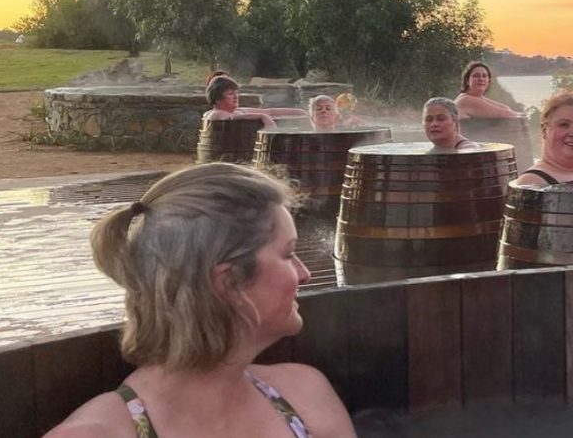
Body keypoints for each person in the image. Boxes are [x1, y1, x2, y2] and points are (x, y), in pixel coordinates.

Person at [45, 163, 357, 438]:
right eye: (288, 254)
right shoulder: (93, 434)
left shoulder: (305, 394)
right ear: (229, 282)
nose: (304, 274)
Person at [202, 76, 308, 128]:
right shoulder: (214, 114)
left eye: (236, 93)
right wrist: (262, 117)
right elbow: (230, 118)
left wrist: (300, 112)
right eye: (230, 94)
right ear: (217, 98)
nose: (235, 97)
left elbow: (270, 111)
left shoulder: (239, 111)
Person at [454, 61, 525, 119]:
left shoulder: (476, 97)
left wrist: (520, 114)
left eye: (484, 76)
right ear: (467, 81)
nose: (481, 79)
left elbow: (505, 109)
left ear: (488, 81)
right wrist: (525, 116)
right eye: (476, 76)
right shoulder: (466, 100)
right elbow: (506, 114)